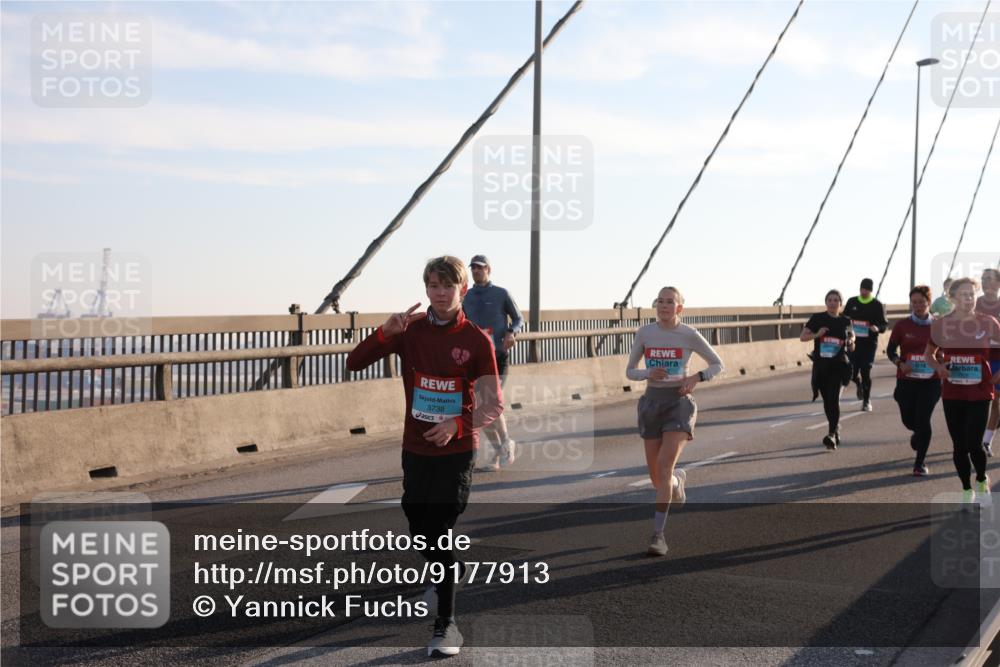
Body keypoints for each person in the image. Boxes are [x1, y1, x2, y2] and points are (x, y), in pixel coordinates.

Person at [346, 256, 501, 657]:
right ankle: (451, 569)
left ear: (462, 289)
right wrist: (384, 332)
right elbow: (353, 362)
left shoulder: (477, 341)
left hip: (458, 450)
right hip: (415, 447)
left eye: (448, 285)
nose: (440, 292)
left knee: (440, 529)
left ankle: (446, 626)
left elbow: (492, 405)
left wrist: (456, 424)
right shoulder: (409, 331)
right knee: (419, 525)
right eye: (433, 285)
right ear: (426, 289)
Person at [625, 286, 724, 557]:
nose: (664, 305)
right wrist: (647, 372)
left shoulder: (689, 335)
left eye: (670, 302)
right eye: (660, 301)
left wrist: (696, 378)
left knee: (664, 465)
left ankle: (658, 535)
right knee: (657, 478)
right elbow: (630, 371)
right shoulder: (645, 333)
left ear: (679, 308)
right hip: (651, 404)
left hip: (678, 405)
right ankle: (677, 484)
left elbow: (718, 364)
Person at [925, 277, 1000, 505]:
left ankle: (981, 478)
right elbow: (929, 354)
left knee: (974, 444)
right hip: (953, 392)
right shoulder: (941, 325)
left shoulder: (989, 322)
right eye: (964, 294)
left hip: (981, 391)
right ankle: (967, 488)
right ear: (953, 298)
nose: (969, 298)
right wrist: (938, 367)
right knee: (958, 445)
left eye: (972, 294)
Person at [462, 254, 524, 471]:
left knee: (490, 403)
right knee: (479, 408)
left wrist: (511, 332)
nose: (476, 271)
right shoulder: (466, 296)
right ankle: (500, 450)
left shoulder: (501, 293)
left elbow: (519, 319)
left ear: (488, 269)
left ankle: (505, 442)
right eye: (473, 268)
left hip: (497, 357)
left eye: (480, 268)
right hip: (474, 360)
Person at [886, 286, 940, 476]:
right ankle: (917, 432)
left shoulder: (939, 325)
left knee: (923, 419)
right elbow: (890, 351)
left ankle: (920, 463)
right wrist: (900, 363)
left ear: (929, 303)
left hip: (931, 381)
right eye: (914, 302)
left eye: (921, 302)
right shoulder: (902, 325)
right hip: (907, 379)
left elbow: (947, 352)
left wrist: (941, 364)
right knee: (910, 420)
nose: (917, 306)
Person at [801, 290, 856, 450]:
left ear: (840, 303)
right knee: (827, 402)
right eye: (829, 300)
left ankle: (831, 434)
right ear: (826, 302)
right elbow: (802, 337)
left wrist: (851, 342)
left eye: (835, 300)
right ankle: (836, 428)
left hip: (839, 366)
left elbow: (852, 338)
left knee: (834, 398)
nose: (832, 303)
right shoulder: (818, 318)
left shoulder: (846, 320)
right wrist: (817, 334)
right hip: (822, 366)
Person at [844, 278, 888, 412]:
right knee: (850, 372)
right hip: (853, 343)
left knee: (865, 371)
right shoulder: (852, 302)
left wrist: (877, 328)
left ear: (870, 290)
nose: (864, 291)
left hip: (869, 343)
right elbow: (844, 318)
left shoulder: (877, 305)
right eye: (862, 289)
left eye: (866, 290)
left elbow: (884, 325)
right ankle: (859, 385)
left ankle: (866, 401)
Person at [976, 268, 1000, 456]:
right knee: (978, 401)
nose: (984, 283)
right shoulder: (975, 304)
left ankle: (986, 441)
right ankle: (974, 437)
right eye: (982, 279)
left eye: (988, 279)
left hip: (998, 359)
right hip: (980, 358)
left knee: (996, 402)